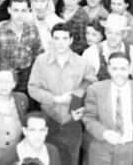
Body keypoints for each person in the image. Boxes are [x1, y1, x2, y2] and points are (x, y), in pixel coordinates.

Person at [27, 22, 90, 165]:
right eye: (57, 38)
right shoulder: (41, 61)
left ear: (71, 40)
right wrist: (55, 99)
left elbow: (91, 86)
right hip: (48, 119)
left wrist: (82, 106)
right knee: (46, 159)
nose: (60, 43)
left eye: (64, 38)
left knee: (71, 159)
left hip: (72, 121)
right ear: (51, 40)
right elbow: (32, 88)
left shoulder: (82, 63)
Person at [82, 51, 133, 165]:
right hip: (102, 149)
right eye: (115, 69)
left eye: (123, 69)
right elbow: (88, 117)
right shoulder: (95, 90)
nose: (119, 73)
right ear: (108, 69)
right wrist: (104, 133)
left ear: (130, 69)